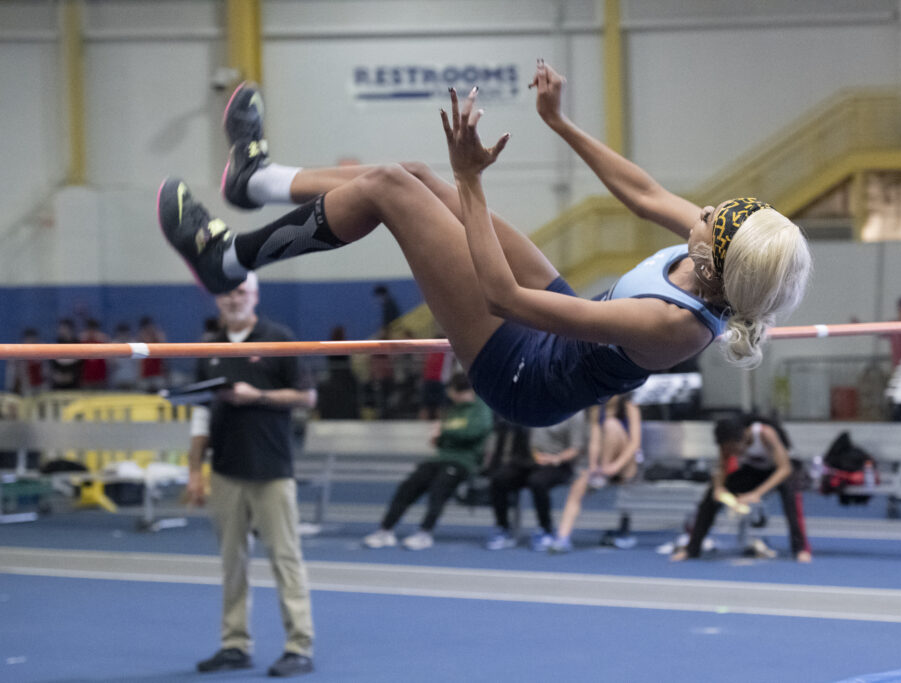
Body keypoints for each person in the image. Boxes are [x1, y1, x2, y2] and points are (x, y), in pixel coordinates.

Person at [157, 59, 812, 428]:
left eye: (709, 217)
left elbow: (502, 298)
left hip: (525, 373)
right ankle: (255, 179)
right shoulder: (712, 263)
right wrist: (557, 122)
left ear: (712, 256)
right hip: (556, 328)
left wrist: (471, 180)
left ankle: (227, 259)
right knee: (413, 175)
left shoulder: (669, 322)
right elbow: (639, 192)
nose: (698, 211)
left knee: (391, 188)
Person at [186, 272, 317, 677]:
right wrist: (194, 469)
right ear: (216, 300)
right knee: (232, 563)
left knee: (285, 558)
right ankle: (234, 644)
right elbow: (201, 414)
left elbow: (307, 397)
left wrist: (256, 396)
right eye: (226, 292)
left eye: (241, 291)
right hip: (225, 470)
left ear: (255, 296)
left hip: (272, 470)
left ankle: (299, 645)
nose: (233, 298)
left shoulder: (279, 338)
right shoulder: (208, 349)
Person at [362, 372, 492, 550]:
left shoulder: (480, 408)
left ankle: (424, 533)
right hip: (440, 458)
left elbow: (473, 432)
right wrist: (441, 437)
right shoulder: (453, 410)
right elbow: (443, 439)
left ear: (455, 390)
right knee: (408, 486)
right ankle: (386, 530)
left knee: (438, 490)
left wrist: (444, 433)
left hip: (463, 461)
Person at [670, 416, 811, 563]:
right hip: (754, 472)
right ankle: (692, 549)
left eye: (733, 448)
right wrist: (718, 489)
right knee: (711, 496)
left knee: (790, 496)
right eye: (728, 449)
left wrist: (756, 494)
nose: (732, 453)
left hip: (783, 472)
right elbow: (721, 468)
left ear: (743, 436)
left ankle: (800, 548)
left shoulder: (765, 434)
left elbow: (785, 468)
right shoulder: (726, 442)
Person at [549, 394, 642, 553]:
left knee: (611, 425)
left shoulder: (630, 407)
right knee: (577, 488)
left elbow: (635, 443)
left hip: (626, 464)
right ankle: (562, 537)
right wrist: (592, 466)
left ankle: (603, 473)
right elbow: (595, 440)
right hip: (602, 468)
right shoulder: (596, 408)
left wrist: (614, 466)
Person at [486, 410, 587, 551]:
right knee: (499, 479)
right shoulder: (534, 404)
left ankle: (545, 529)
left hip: (558, 463)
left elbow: (577, 448)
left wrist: (554, 459)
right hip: (528, 461)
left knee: (537, 482)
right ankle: (502, 528)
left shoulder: (574, 412)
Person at [5, 328, 48, 395]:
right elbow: (10, 381)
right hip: (25, 391)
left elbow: (47, 375)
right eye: (29, 342)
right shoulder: (16, 357)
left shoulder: (44, 352)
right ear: (24, 342)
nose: (32, 344)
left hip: (42, 390)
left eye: (34, 342)